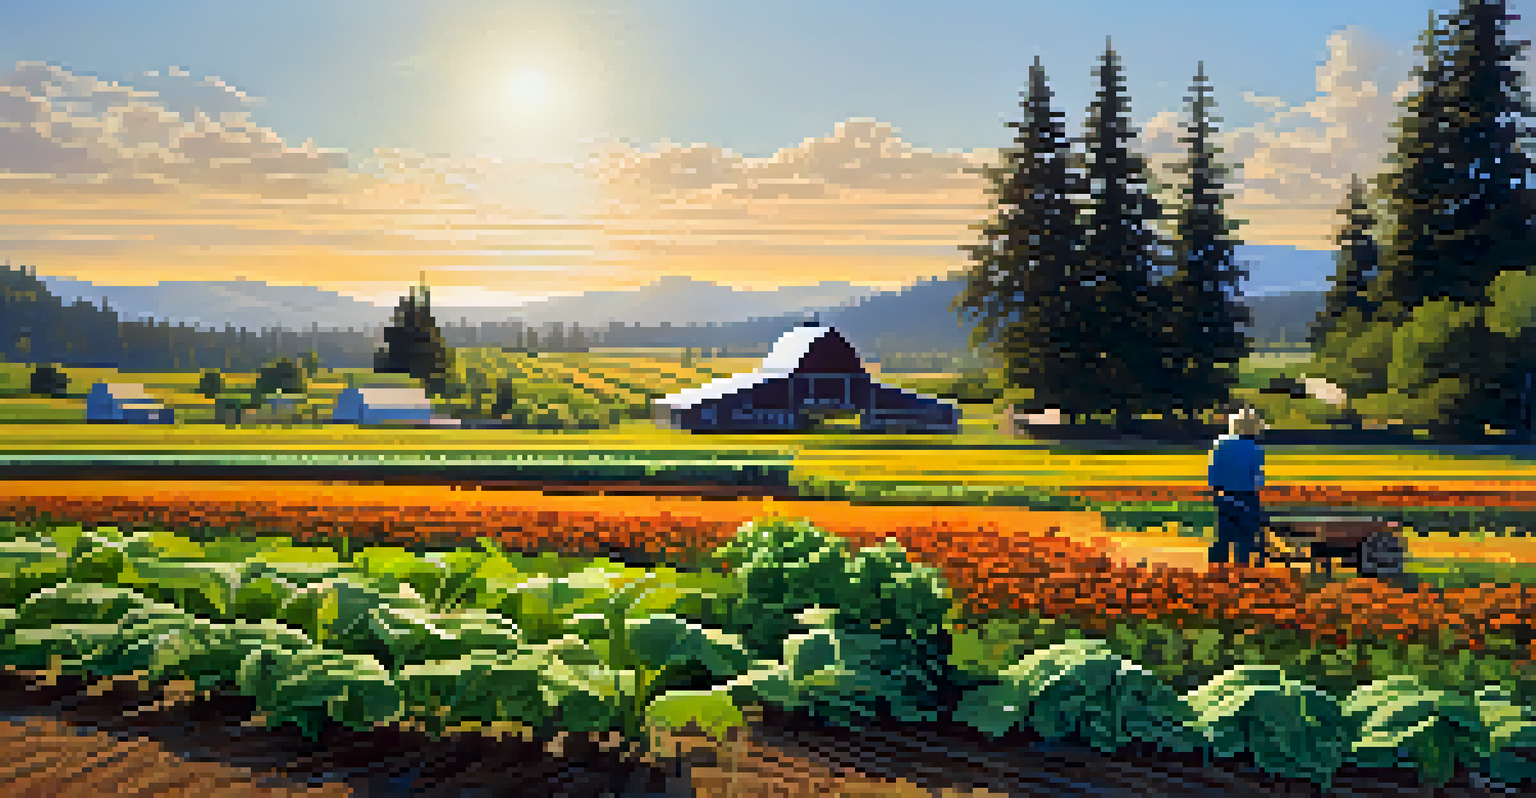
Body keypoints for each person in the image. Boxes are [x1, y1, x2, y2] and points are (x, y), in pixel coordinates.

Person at [1208, 407, 1267, 567]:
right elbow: (1257, 477)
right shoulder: (1255, 448)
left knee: (1223, 533)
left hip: (1224, 494)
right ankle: (1242, 568)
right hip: (1247, 495)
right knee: (1245, 536)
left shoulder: (1220, 443)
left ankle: (1218, 568)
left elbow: (1213, 470)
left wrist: (1215, 490)